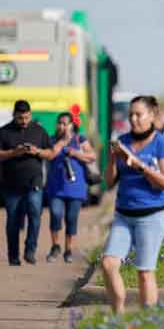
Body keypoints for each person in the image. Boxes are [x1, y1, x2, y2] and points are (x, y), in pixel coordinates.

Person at [99, 96, 164, 313]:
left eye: (138, 114)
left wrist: (139, 165)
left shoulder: (162, 144)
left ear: (151, 116)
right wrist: (114, 158)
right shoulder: (123, 140)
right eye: (130, 114)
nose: (133, 119)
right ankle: (118, 316)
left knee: (144, 271)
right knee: (108, 264)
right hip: (124, 214)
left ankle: (147, 320)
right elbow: (109, 181)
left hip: (152, 214)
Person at [0, 100, 54, 265]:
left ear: (30, 114)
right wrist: (14, 152)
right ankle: (13, 255)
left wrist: (37, 151)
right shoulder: (4, 132)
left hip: (34, 182)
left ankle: (30, 250)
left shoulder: (39, 131)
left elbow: (50, 154)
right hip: (11, 185)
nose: (24, 121)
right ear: (14, 115)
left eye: (26, 117)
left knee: (34, 212)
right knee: (13, 221)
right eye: (20, 118)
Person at [45, 112, 96, 263]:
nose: (61, 126)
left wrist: (75, 152)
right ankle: (55, 246)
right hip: (56, 188)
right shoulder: (52, 140)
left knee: (71, 218)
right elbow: (50, 155)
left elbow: (92, 156)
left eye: (65, 123)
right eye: (59, 123)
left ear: (72, 125)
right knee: (55, 214)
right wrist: (63, 142)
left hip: (76, 188)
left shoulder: (80, 139)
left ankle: (69, 250)